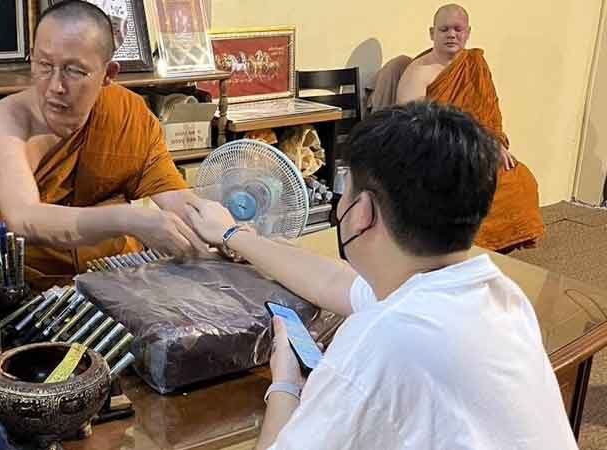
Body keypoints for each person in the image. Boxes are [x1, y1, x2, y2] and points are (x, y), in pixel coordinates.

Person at [185, 102, 577, 449]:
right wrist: (234, 235)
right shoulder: (498, 295)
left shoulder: (384, 341)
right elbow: (332, 282)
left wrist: (285, 383)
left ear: (362, 211)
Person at [0, 0, 208, 288]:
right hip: (25, 283)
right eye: (43, 65)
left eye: (74, 71)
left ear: (108, 75)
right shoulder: (4, 120)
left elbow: (174, 196)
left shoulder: (127, 114)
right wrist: (129, 219)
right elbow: (23, 218)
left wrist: (227, 233)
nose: (55, 86)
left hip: (115, 275)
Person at [396, 3, 544, 252]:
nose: (451, 34)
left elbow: (489, 112)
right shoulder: (419, 72)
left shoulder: (475, 64)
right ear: (432, 33)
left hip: (477, 146)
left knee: (519, 179)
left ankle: (494, 248)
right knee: (467, 186)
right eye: (444, 29)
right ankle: (459, 249)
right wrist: (461, 147)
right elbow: (413, 125)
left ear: (468, 32)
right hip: (437, 151)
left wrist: (493, 143)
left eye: (458, 29)